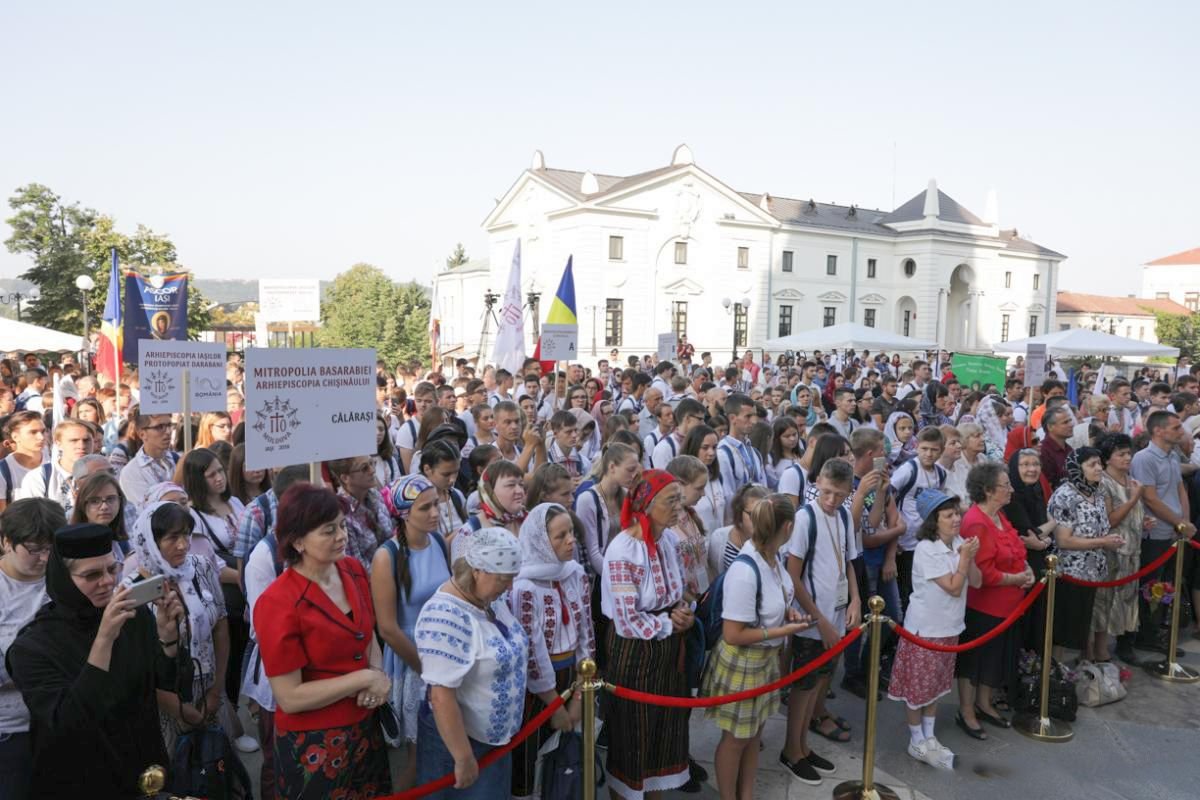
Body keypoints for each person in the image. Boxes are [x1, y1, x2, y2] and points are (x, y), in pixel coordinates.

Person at [5, 522, 184, 798]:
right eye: (92, 575)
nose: (108, 582)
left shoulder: (133, 618)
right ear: (64, 579)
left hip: (144, 773)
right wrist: (104, 640)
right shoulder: (31, 648)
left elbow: (162, 682)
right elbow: (69, 723)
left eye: (112, 569)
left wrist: (168, 640)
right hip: (82, 781)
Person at [254, 483, 393, 800]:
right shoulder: (278, 602)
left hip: (366, 729)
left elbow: (367, 632)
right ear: (298, 541)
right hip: (313, 745)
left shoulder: (353, 570)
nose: (342, 536)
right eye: (328, 530)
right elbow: (289, 696)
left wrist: (376, 675)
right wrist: (365, 678)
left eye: (342, 526)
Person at [702, 494, 809, 800]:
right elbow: (733, 634)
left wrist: (787, 613)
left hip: (764, 659)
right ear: (787, 526)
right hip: (745, 662)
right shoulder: (746, 569)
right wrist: (781, 629)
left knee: (754, 734)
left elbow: (774, 597)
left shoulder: (772, 557)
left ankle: (746, 794)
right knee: (736, 739)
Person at [413, 527, 529, 798]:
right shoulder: (445, 616)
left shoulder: (488, 598)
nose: (510, 587)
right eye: (504, 579)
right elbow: (441, 696)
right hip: (459, 745)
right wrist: (463, 757)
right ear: (478, 571)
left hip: (493, 742)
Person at [601, 470, 694, 799]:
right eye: (671, 501)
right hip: (635, 653)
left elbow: (676, 590)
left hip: (668, 648)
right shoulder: (623, 550)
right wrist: (670, 624)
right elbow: (627, 619)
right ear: (647, 504)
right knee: (633, 735)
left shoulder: (668, 539)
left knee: (663, 731)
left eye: (679, 499)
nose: (678, 508)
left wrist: (683, 612)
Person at [128, 501, 235, 750]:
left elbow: (220, 625)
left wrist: (216, 690)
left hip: (209, 691)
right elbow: (139, 665)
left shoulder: (200, 566)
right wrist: (180, 709)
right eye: (172, 537)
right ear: (151, 542)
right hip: (166, 704)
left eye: (186, 535)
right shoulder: (132, 591)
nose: (183, 545)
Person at [887, 490, 980, 770]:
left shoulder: (961, 543)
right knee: (918, 686)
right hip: (926, 627)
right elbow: (952, 587)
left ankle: (929, 735)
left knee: (937, 684)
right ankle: (916, 739)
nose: (956, 519)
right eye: (949, 515)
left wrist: (971, 557)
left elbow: (975, 581)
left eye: (957, 514)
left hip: (950, 625)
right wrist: (964, 559)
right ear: (934, 521)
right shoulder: (927, 549)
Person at [781, 459, 860, 785]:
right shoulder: (804, 518)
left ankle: (803, 745)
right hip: (813, 622)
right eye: (827, 492)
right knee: (803, 687)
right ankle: (790, 751)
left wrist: (855, 598)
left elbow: (849, 562)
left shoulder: (842, 515)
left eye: (839, 495)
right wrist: (820, 620)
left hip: (838, 614)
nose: (832, 500)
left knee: (819, 686)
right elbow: (793, 576)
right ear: (818, 484)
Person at [372, 474, 451, 790]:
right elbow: (388, 629)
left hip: (443, 654)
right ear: (404, 514)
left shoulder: (439, 542)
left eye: (436, 504)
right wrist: (427, 669)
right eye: (425, 508)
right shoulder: (385, 556)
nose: (435, 513)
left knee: (442, 748)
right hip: (412, 660)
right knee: (419, 758)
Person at [510, 504, 592, 799]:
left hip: (573, 675)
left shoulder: (575, 573)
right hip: (539, 687)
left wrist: (580, 694)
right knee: (531, 757)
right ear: (541, 542)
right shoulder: (524, 587)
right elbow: (531, 651)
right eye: (560, 536)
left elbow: (586, 631)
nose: (571, 540)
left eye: (571, 532)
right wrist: (555, 705)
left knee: (567, 756)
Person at [955, 462, 1034, 740]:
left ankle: (984, 703)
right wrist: (1017, 579)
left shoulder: (1000, 516)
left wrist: (1027, 570)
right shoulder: (977, 521)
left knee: (994, 658)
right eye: (1005, 485)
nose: (1011, 489)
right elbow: (984, 573)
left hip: (1008, 605)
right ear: (989, 491)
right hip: (984, 605)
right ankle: (966, 710)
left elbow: (1016, 547)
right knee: (974, 660)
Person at [0, 499, 64, 800]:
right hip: (12, 731)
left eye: (51, 548)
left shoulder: (64, 581)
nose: (44, 557)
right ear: (6, 542)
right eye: (34, 549)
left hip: (61, 724)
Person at [1129, 410, 1197, 655]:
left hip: (1175, 531)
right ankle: (1146, 633)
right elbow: (1150, 498)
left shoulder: (1171, 456)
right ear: (1158, 430)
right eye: (1176, 427)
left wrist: (1185, 523)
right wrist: (1179, 522)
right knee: (1152, 585)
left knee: (1168, 584)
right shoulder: (1144, 459)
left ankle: (1157, 629)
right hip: (1155, 532)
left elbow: (1180, 489)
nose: (1181, 431)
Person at [1048, 448, 1124, 661]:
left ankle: (1078, 668)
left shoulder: (1096, 493)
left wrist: (1111, 540)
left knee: (1082, 625)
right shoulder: (1065, 495)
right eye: (1092, 464)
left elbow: (1100, 528)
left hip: (1093, 573)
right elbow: (1064, 540)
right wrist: (1102, 542)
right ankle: (1054, 672)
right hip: (1070, 573)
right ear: (1076, 468)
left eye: (1099, 463)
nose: (1099, 468)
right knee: (1062, 630)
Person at [1093, 434, 1145, 664]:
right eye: (1121, 454)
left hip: (1132, 551)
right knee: (1105, 602)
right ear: (1107, 458)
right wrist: (1133, 501)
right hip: (1112, 552)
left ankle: (1122, 645)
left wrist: (1142, 520)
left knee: (1125, 599)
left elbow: (1128, 516)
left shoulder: (1129, 480)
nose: (1127, 458)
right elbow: (1110, 520)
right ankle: (1099, 650)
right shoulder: (1103, 483)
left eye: (1128, 453)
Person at [327, 455, 394, 569]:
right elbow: (359, 568)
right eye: (364, 468)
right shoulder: (341, 514)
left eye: (372, 463)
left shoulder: (375, 495)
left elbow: (390, 535)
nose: (372, 470)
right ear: (345, 478)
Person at [118, 412, 179, 511]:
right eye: (159, 427)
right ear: (142, 434)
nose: (168, 431)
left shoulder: (177, 459)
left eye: (169, 425)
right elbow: (150, 512)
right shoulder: (131, 472)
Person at [684, 424, 726, 536]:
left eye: (714, 447)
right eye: (705, 447)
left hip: (719, 545)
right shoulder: (683, 481)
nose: (711, 453)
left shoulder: (716, 477)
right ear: (693, 447)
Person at [0, 412, 46, 511]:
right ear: (15, 437)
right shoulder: (3, 470)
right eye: (33, 432)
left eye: (43, 431)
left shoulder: (54, 461)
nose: (41, 437)